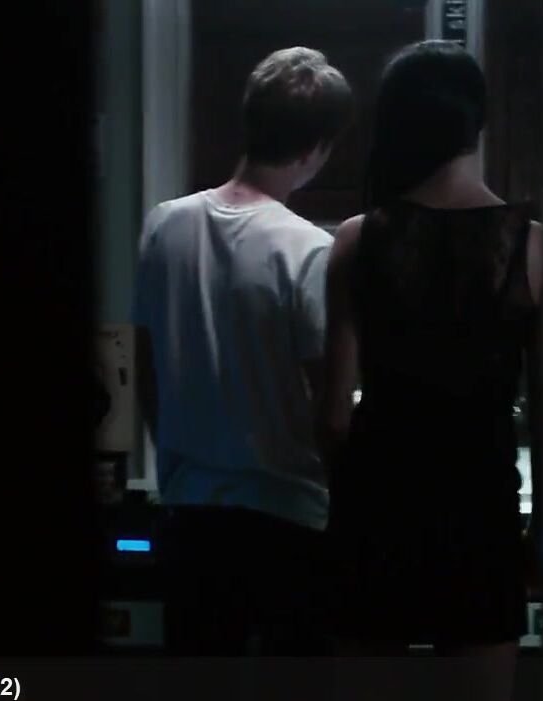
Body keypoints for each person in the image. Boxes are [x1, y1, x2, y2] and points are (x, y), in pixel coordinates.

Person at [318, 40, 543, 699]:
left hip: (378, 505)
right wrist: (542, 534)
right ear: (478, 124)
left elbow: (332, 419)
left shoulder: (358, 239)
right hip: (480, 508)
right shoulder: (530, 247)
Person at [132, 47, 354, 655]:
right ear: (315, 149)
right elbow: (328, 402)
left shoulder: (163, 225)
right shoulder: (308, 248)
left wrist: (174, 462)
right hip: (288, 516)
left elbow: (146, 369)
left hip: (191, 512)